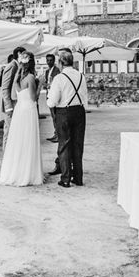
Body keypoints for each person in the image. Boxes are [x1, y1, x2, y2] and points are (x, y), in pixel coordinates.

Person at [0, 51, 44, 186]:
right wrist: (40, 83)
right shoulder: (30, 78)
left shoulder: (18, 77)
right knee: (28, 140)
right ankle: (28, 173)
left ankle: (17, 170)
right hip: (29, 110)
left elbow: (17, 95)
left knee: (18, 141)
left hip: (19, 110)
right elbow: (34, 97)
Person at [47, 49, 88, 188]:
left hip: (64, 112)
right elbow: (85, 98)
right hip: (80, 111)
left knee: (64, 145)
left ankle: (65, 179)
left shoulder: (59, 78)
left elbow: (51, 102)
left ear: (60, 62)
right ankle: (78, 177)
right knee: (77, 145)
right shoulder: (81, 76)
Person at [0, 46, 26, 151]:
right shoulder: (12, 66)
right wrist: (8, 107)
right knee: (9, 131)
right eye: (24, 54)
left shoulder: (17, 65)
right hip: (10, 105)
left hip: (15, 103)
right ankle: (6, 156)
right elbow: (5, 87)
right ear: (19, 54)